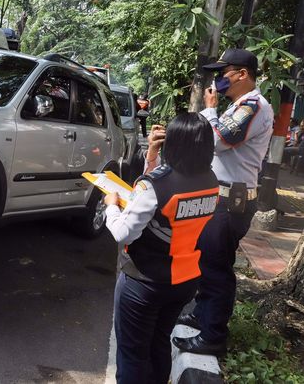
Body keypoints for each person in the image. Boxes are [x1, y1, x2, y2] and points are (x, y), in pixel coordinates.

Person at [172, 48, 274, 356]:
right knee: (207, 263)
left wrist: (209, 109)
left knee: (216, 270)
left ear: (242, 74)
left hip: (231, 203)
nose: (219, 79)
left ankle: (213, 336)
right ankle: (203, 315)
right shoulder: (239, 105)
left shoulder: (253, 105)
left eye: (224, 72)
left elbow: (217, 141)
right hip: (221, 199)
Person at [104, 113, 218, 384]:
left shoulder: (155, 185)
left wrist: (110, 204)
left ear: (175, 144)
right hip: (184, 280)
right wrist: (152, 159)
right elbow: (154, 200)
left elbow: (123, 232)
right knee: (158, 346)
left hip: (144, 282)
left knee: (132, 354)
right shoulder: (211, 181)